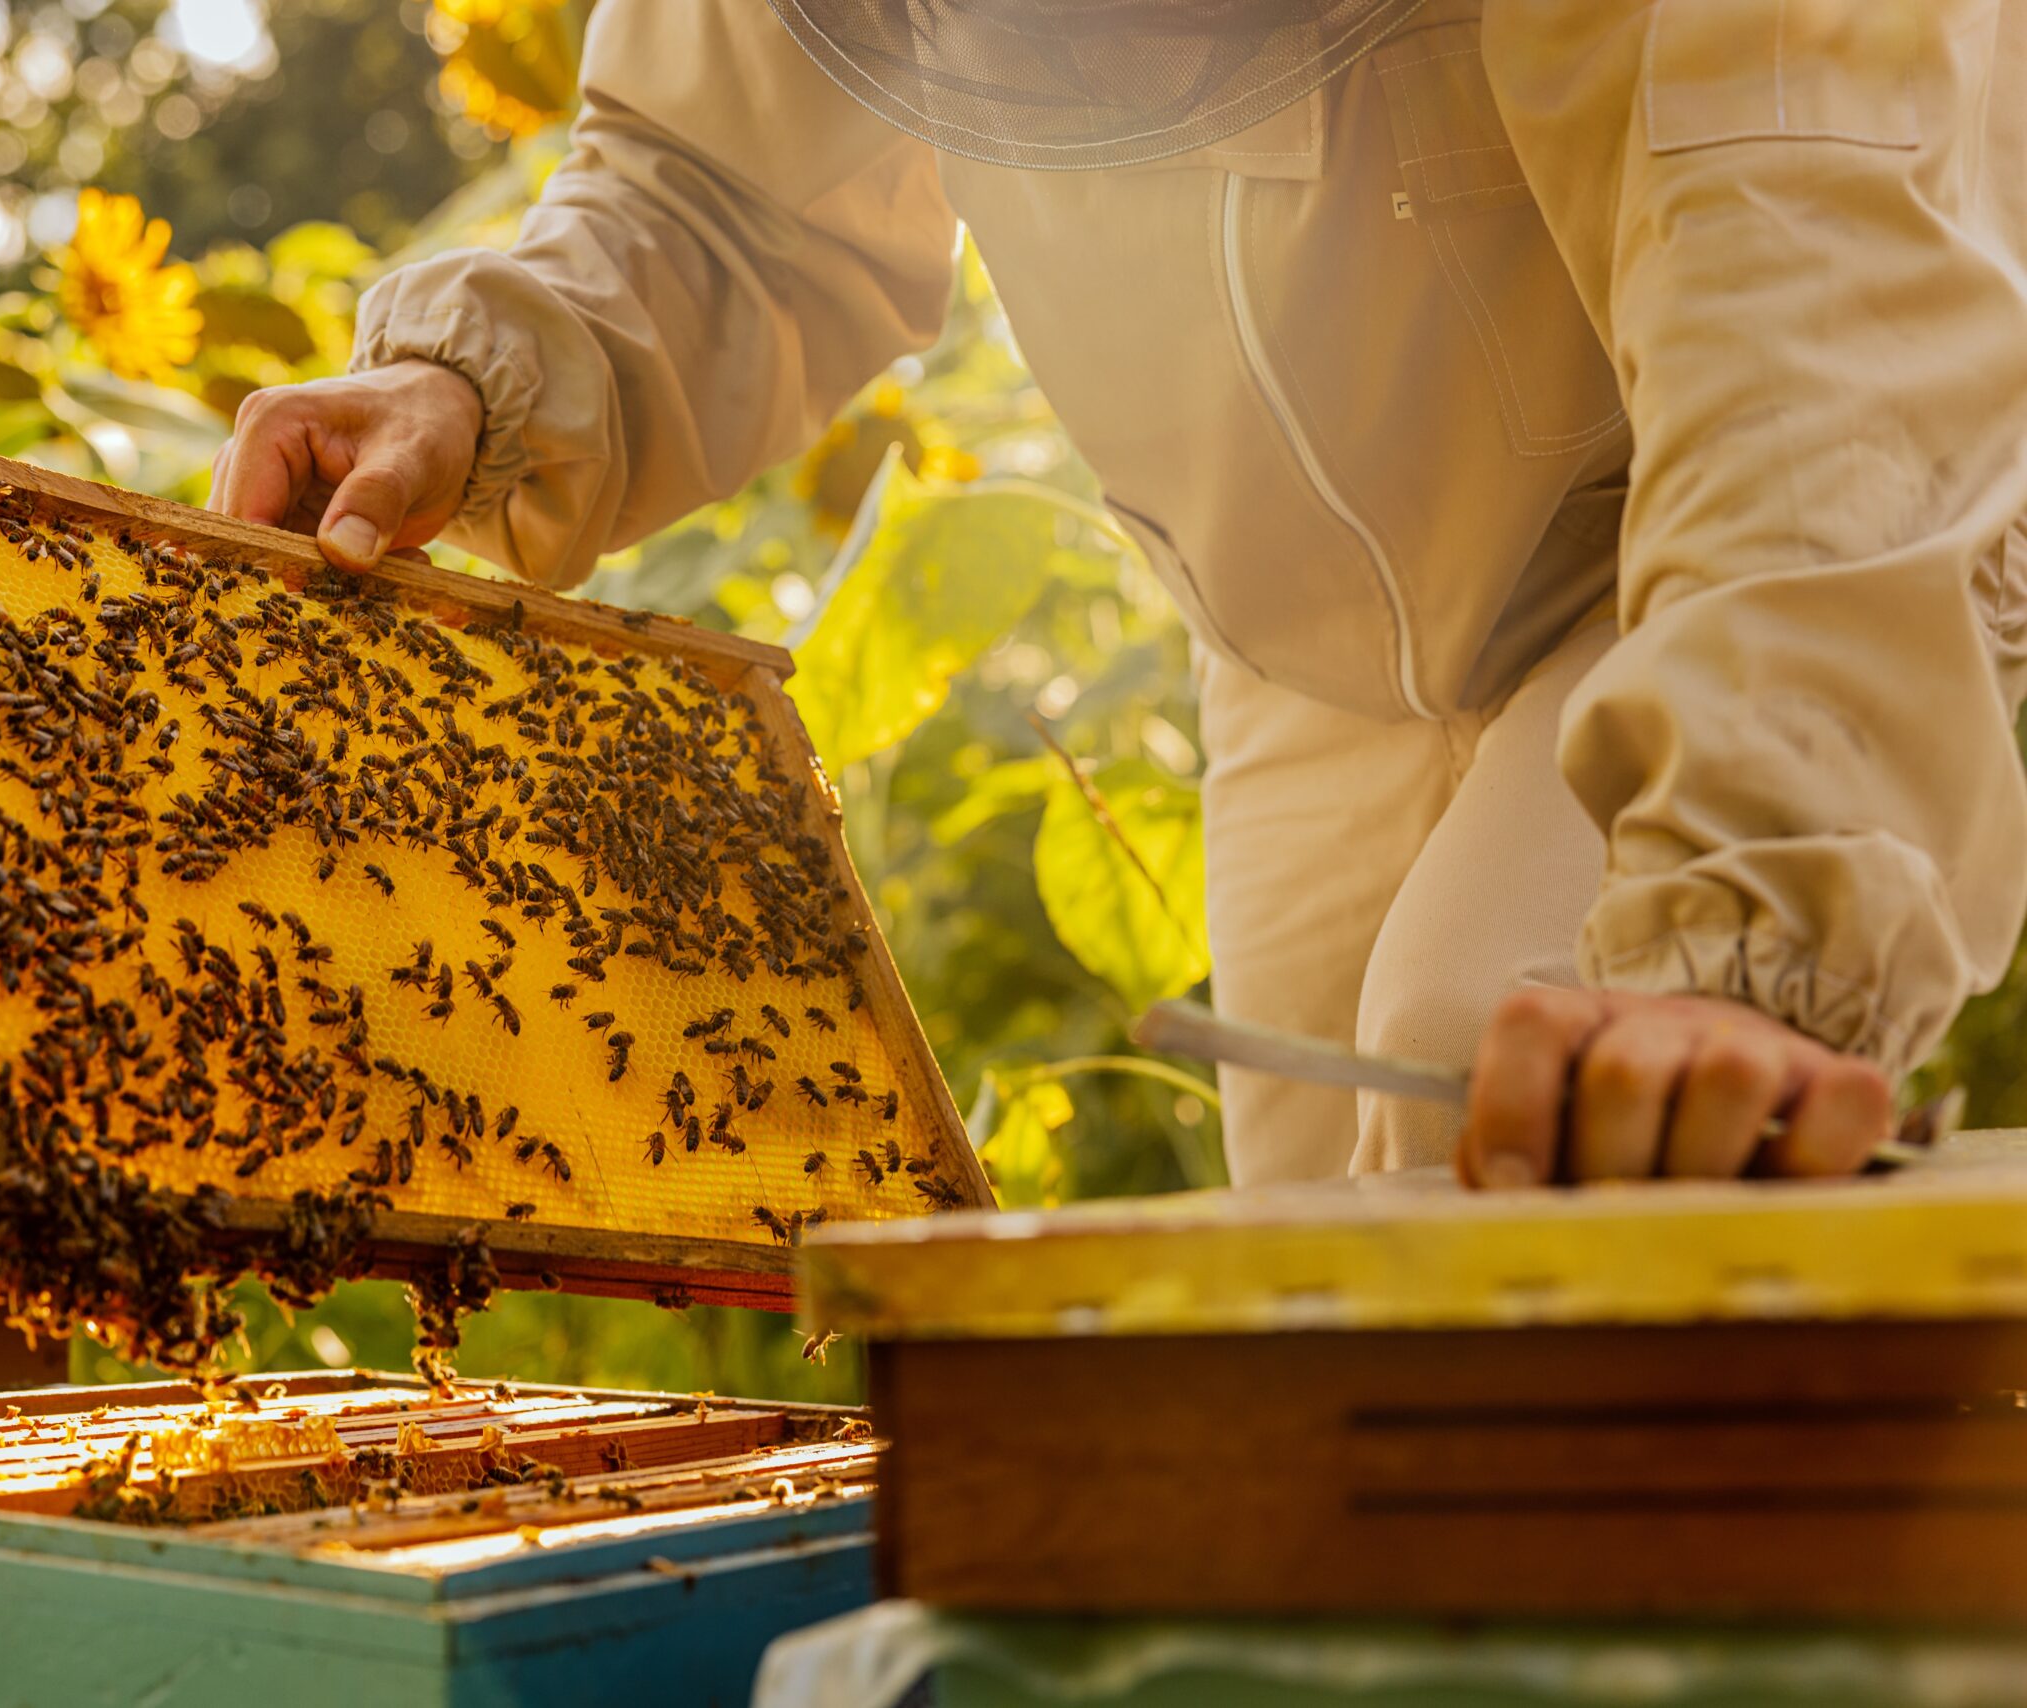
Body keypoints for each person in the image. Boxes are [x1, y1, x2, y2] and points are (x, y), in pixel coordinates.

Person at [210, 0, 2027, 1191]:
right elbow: (719, 177)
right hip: (1296, 647)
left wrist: (1753, 933)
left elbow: (1818, 302)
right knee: (1311, 1307)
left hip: (1713, 536)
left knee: (1529, 1099)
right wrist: (488, 378)